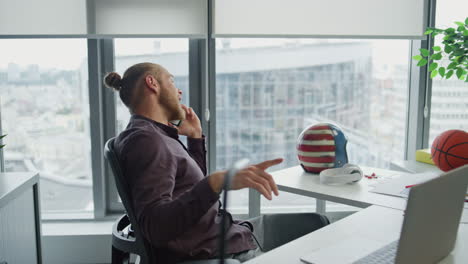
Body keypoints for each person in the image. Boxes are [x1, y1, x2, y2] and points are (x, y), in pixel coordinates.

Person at [104, 62, 283, 263]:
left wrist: (195, 138)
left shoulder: (157, 135)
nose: (179, 91)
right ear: (152, 83)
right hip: (218, 249)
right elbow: (156, 227)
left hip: (225, 234)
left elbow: (189, 188)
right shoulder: (147, 141)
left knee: (315, 221)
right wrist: (214, 183)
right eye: (171, 82)